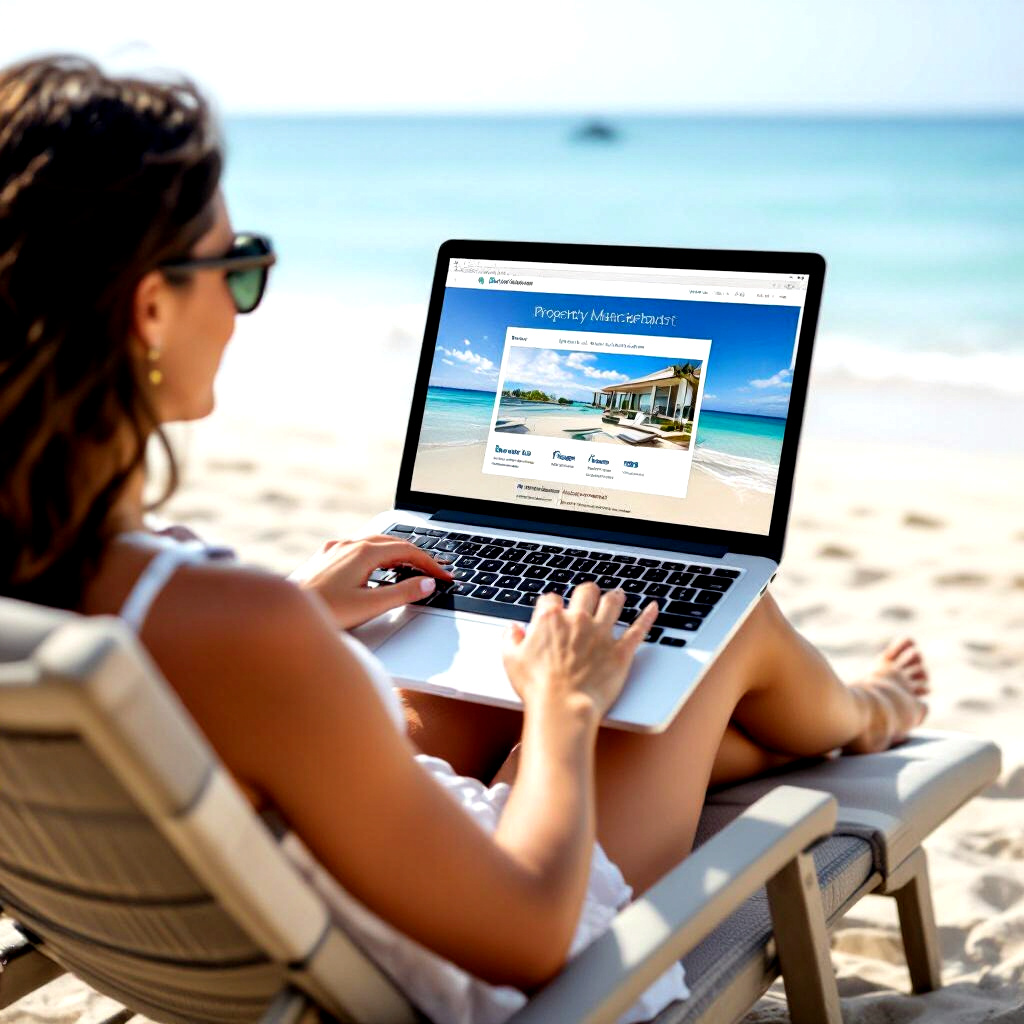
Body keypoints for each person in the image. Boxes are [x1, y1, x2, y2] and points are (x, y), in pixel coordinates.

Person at [0, 55, 930, 1024]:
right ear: (150, 307)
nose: (240, 304)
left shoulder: (63, 583)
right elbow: (531, 928)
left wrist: (302, 614)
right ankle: (865, 715)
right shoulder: (247, 631)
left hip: (302, 895)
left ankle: (745, 729)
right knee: (726, 625)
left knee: (535, 660)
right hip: (516, 950)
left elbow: (200, 684)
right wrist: (562, 713)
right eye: (238, 269)